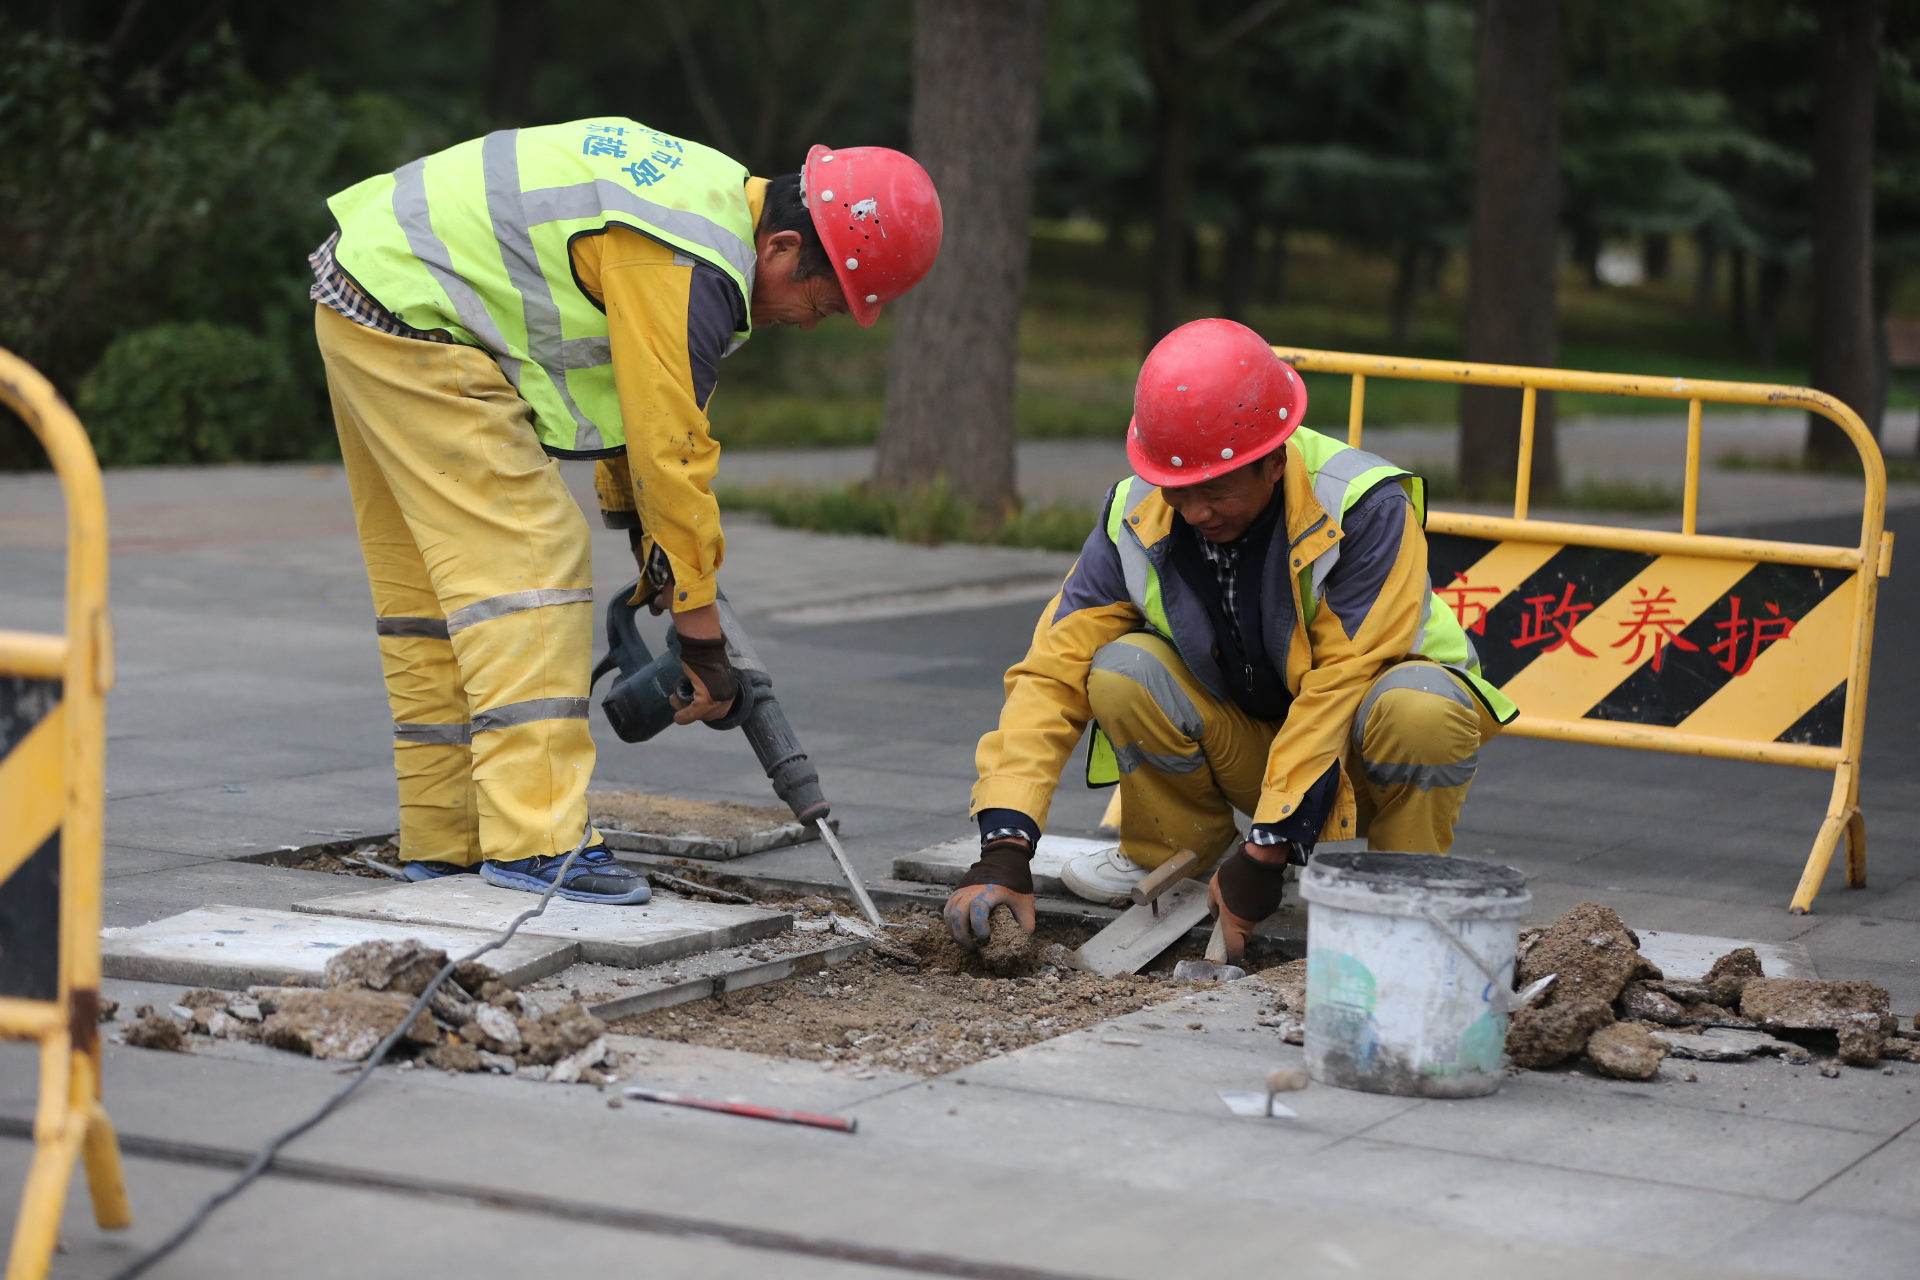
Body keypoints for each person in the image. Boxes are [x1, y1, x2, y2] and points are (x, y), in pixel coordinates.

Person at [312, 119, 940, 904]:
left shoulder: (701, 208)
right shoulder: (692, 264)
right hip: (420, 321)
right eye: (826, 301)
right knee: (532, 567)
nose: (814, 321)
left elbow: (631, 406)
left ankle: (449, 839)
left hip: (369, 294)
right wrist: (702, 637)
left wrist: (648, 544)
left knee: (436, 601)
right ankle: (539, 844)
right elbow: (673, 457)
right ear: (781, 247)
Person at [944, 319, 1516, 960]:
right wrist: (1005, 845)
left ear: (1275, 461)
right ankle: (1173, 863)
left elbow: (1340, 682)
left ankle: (1404, 897)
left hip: (1362, 746)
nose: (1193, 514)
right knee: (1120, 668)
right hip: (1254, 743)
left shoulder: (1363, 506)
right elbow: (1051, 670)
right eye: (1178, 492)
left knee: (1422, 707)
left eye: (1214, 491)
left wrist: (1267, 850)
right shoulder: (1136, 511)